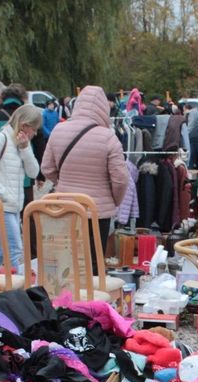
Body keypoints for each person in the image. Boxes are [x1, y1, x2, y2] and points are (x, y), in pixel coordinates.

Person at [40, 85, 130, 272]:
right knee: (93, 262)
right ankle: (91, 298)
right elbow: (121, 179)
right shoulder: (108, 137)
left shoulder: (58, 130)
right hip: (97, 211)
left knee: (66, 260)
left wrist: (62, 183)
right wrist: (113, 200)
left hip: (65, 207)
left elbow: (46, 168)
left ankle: (67, 297)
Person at [0, 104, 41, 271]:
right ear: (24, 125)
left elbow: (33, 172)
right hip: (2, 205)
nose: (34, 133)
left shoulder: (21, 143)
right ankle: (20, 287)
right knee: (15, 249)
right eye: (33, 129)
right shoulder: (1, 138)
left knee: (4, 249)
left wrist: (26, 148)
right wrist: (3, 194)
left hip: (13, 205)